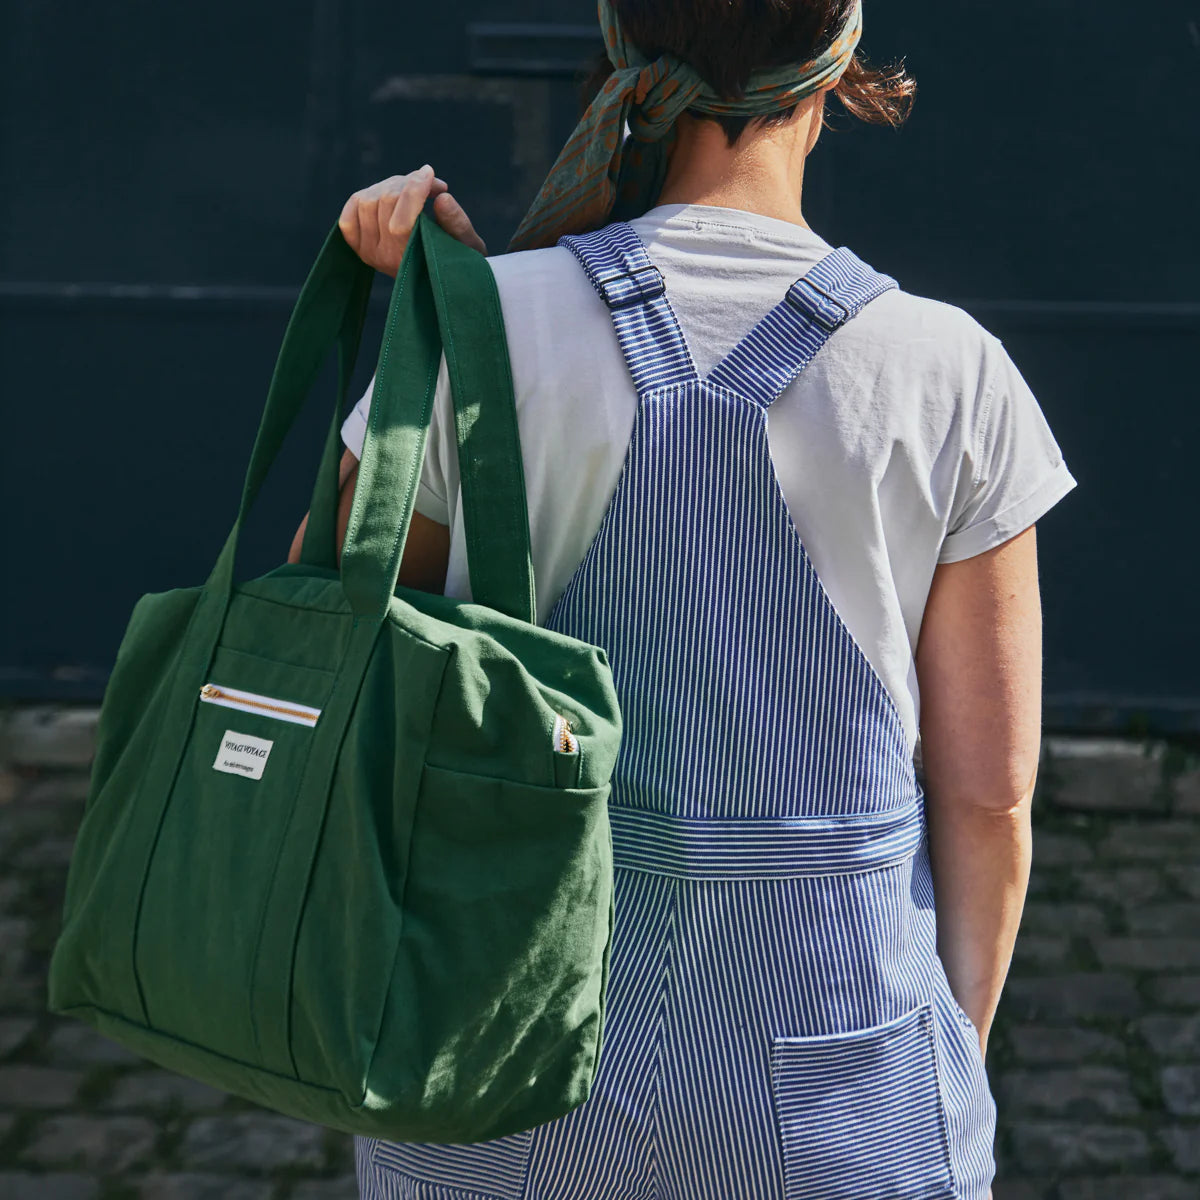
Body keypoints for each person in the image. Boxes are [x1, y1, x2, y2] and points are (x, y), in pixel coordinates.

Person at [289, 2, 1076, 1196]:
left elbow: (322, 632)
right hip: (839, 1078)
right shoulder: (950, 369)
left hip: (489, 1057)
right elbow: (989, 794)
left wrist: (422, 327)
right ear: (836, 66)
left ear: (621, 50)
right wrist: (945, 1059)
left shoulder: (482, 323)